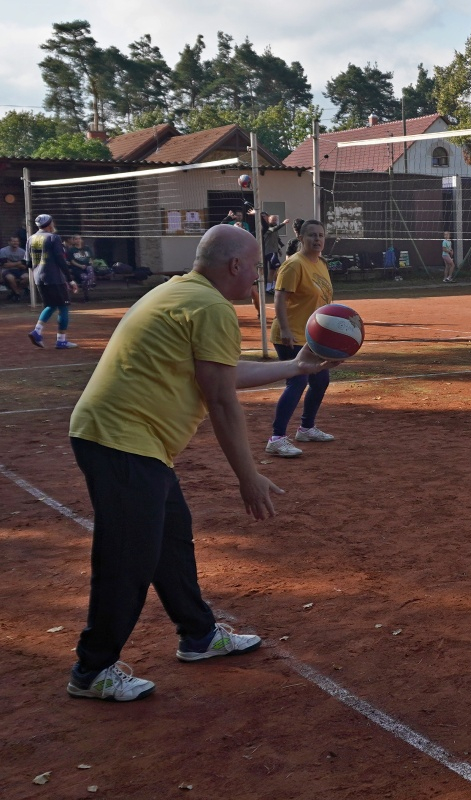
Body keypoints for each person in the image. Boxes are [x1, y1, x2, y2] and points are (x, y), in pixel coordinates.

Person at [66, 224, 336, 701]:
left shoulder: (181, 291)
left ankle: (198, 635)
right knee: (128, 558)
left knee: (170, 540)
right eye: (255, 268)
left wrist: (296, 367)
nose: (257, 277)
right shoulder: (211, 307)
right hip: (122, 440)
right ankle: (92, 669)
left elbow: (221, 374)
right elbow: (221, 400)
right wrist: (248, 476)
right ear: (234, 265)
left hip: (128, 440)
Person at [266, 219, 335, 457]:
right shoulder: (294, 265)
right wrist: (285, 329)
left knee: (320, 381)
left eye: (321, 235)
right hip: (292, 334)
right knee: (297, 382)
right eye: (312, 235)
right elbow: (279, 298)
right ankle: (276, 438)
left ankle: (306, 428)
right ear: (301, 238)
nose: (317, 239)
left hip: (313, 337)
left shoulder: (321, 264)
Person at [26, 214, 78, 349]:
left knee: (51, 305)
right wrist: (70, 279)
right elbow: (60, 259)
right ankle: (61, 341)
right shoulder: (53, 237)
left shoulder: (30, 239)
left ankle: (37, 331)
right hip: (54, 278)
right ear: (49, 224)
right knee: (63, 307)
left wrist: (40, 269)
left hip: (39, 278)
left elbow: (28, 263)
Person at [1, 235, 28, 300]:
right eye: (13, 241)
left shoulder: (23, 252)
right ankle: (17, 294)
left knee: (27, 278)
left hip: (19, 270)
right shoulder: (3, 251)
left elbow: (24, 266)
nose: (15, 243)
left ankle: (15, 292)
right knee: (10, 278)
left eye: (17, 241)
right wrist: (19, 263)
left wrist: (10, 263)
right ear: (9, 242)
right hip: (7, 270)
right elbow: (5, 265)